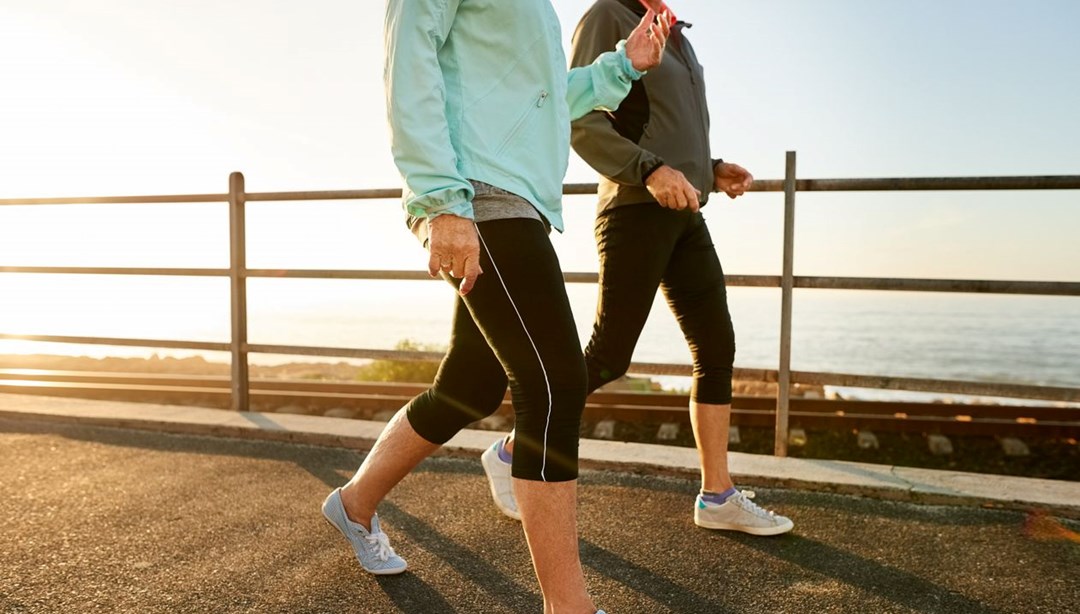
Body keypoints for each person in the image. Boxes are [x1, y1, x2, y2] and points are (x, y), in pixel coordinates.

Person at [321, 1, 668, 613]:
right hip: (477, 191)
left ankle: (353, 504)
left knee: (469, 386)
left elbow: (543, 93)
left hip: (519, 197)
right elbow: (410, 60)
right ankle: (569, 607)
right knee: (555, 384)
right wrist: (440, 199)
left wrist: (621, 67)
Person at [480, 0, 794, 536]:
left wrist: (709, 168)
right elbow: (574, 113)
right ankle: (513, 450)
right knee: (609, 355)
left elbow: (661, 120)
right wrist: (648, 170)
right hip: (633, 209)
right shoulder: (608, 15)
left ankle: (717, 495)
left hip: (685, 210)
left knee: (716, 348)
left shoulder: (677, 33)